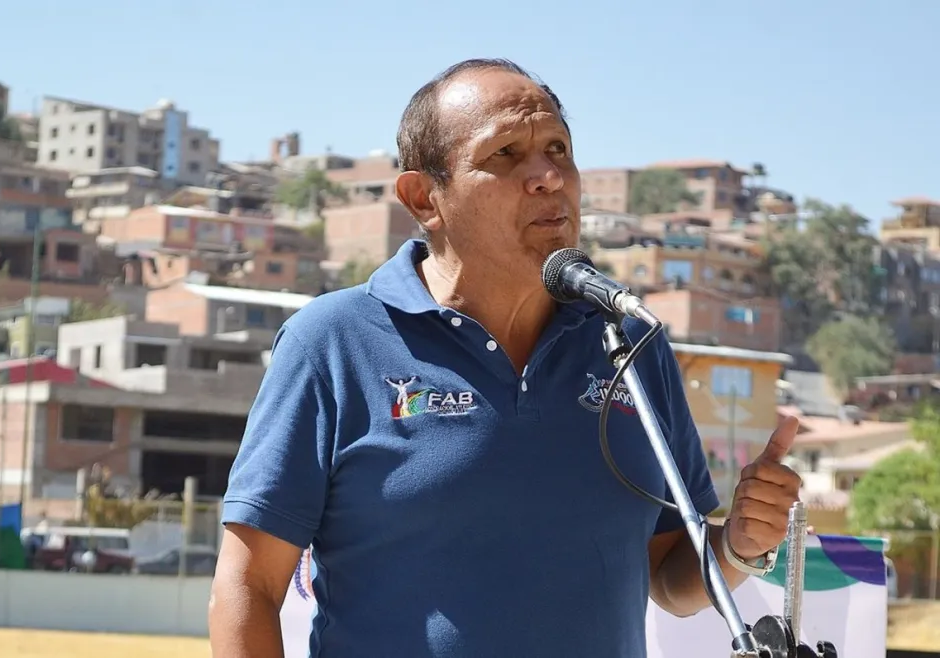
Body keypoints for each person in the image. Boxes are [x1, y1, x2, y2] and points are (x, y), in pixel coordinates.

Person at [208, 58, 803, 658]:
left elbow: (669, 577)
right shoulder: (332, 342)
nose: (548, 176)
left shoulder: (630, 345)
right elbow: (248, 584)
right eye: (506, 155)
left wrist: (737, 546)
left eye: (558, 149)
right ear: (424, 198)